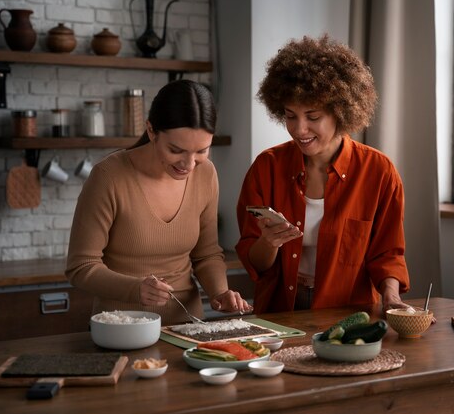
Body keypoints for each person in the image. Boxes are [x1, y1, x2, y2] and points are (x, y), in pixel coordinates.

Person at [236, 35, 411, 313]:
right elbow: (254, 261)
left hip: (348, 312)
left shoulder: (378, 172)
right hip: (280, 311)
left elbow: (387, 253)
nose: (299, 129)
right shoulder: (266, 168)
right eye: (290, 115)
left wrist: (391, 297)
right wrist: (268, 242)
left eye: (313, 117)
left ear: (341, 112)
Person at [66, 79, 252, 325]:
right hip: (121, 328)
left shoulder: (206, 173)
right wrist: (136, 289)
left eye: (201, 151)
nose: (188, 164)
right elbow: (81, 267)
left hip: (188, 327)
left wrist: (220, 292)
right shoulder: (108, 176)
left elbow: (206, 255)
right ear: (152, 131)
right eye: (176, 150)